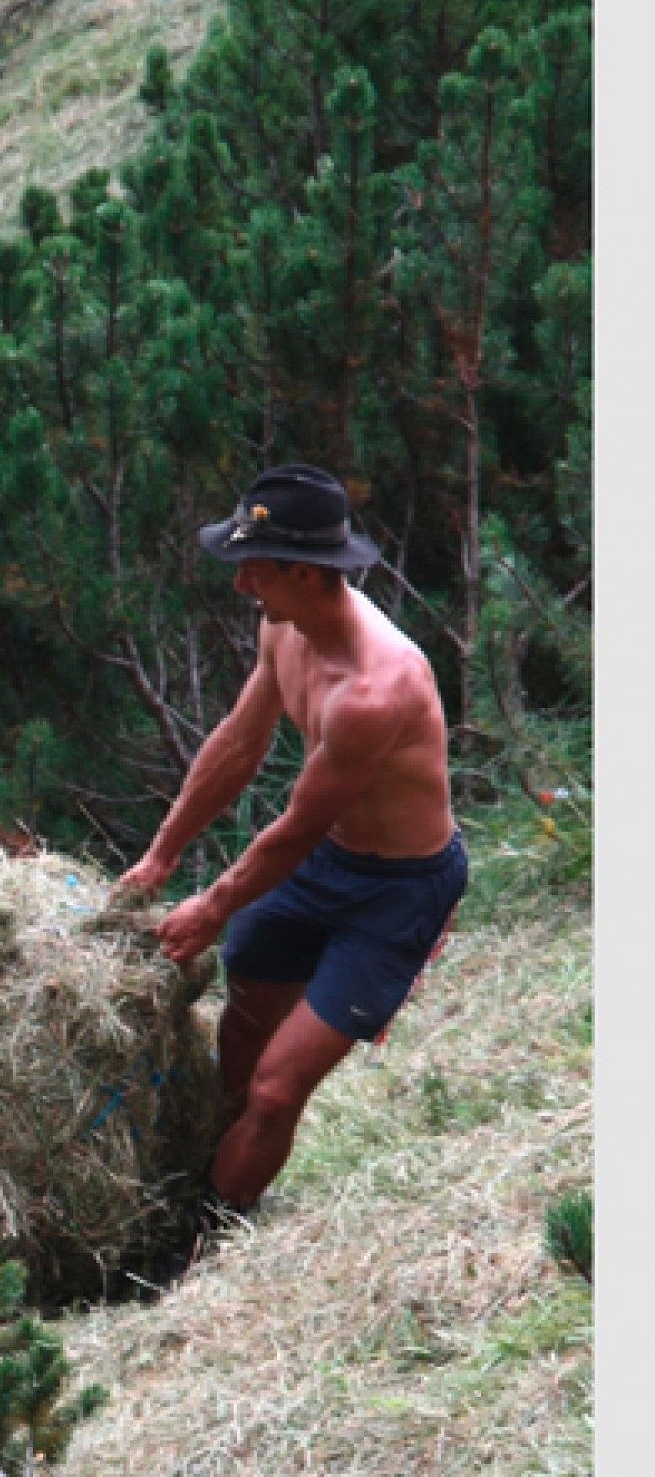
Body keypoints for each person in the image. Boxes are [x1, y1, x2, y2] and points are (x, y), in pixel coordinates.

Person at [116, 464, 467, 1211]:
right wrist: (162, 853)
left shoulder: (377, 689)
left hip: (398, 892)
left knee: (277, 1088)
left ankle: (202, 1235)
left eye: (256, 570)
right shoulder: (282, 624)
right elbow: (240, 745)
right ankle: (203, 1177)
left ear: (307, 574)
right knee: (239, 1044)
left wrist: (211, 906)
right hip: (324, 864)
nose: (243, 587)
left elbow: (297, 827)